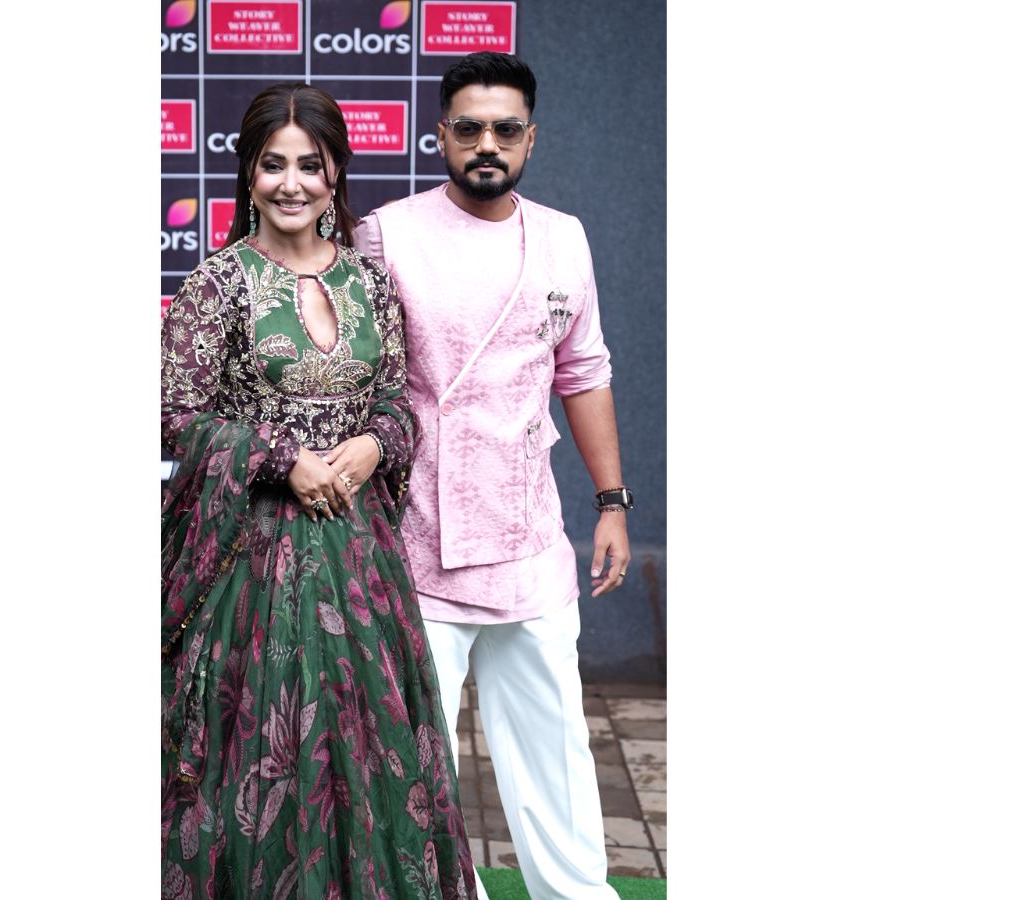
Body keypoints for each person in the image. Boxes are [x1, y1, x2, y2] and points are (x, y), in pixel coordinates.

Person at [161, 82, 477, 900]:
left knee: (368, 747)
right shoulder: (218, 285)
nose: (292, 183)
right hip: (250, 567)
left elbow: (397, 403)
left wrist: (375, 445)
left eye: (310, 165)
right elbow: (174, 415)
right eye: (274, 165)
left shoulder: (371, 283)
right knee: (261, 747)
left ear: (336, 173)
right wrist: (279, 457)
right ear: (248, 173)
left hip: (361, 564)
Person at [354, 53, 633, 900]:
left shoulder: (562, 237)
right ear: (440, 134)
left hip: (527, 534)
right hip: (418, 540)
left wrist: (612, 503)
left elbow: (583, 372)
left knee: (556, 751)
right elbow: (357, 380)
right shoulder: (388, 234)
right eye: (469, 128)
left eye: (505, 130)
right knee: (415, 760)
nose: (487, 144)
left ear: (530, 139)